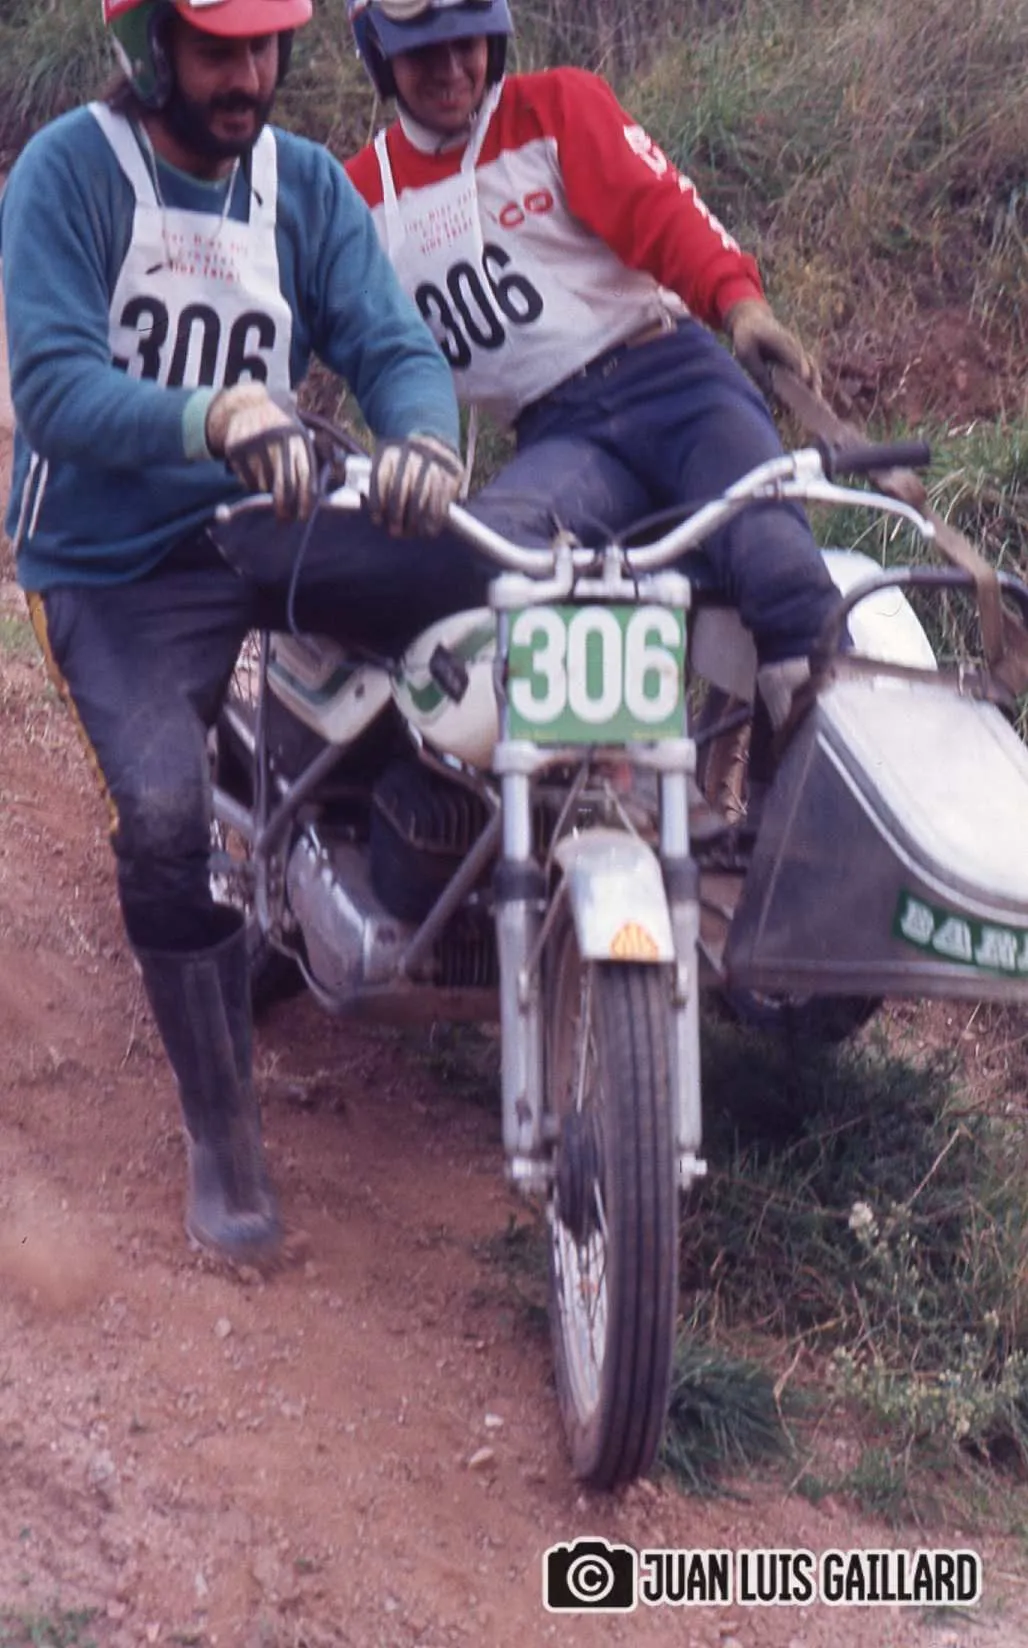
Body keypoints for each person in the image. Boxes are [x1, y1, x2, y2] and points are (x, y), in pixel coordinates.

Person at [0, 0, 487, 1266]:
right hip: (111, 561)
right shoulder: (68, 174)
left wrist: (423, 440)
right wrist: (210, 417)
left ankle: (416, 862)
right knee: (165, 824)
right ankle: (222, 1133)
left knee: (487, 587)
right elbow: (50, 387)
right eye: (219, 49)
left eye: (267, 46)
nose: (249, 75)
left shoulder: (303, 184)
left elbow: (390, 343)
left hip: (267, 516)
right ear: (147, 47)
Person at [344, 0, 843, 730]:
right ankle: (583, 781)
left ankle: (799, 774)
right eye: (424, 54)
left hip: (679, 388)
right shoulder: (359, 198)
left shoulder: (555, 108)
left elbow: (659, 210)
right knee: (492, 564)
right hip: (562, 436)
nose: (451, 70)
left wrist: (740, 305)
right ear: (379, 56)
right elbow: (334, 326)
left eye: (467, 45)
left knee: (784, 574)